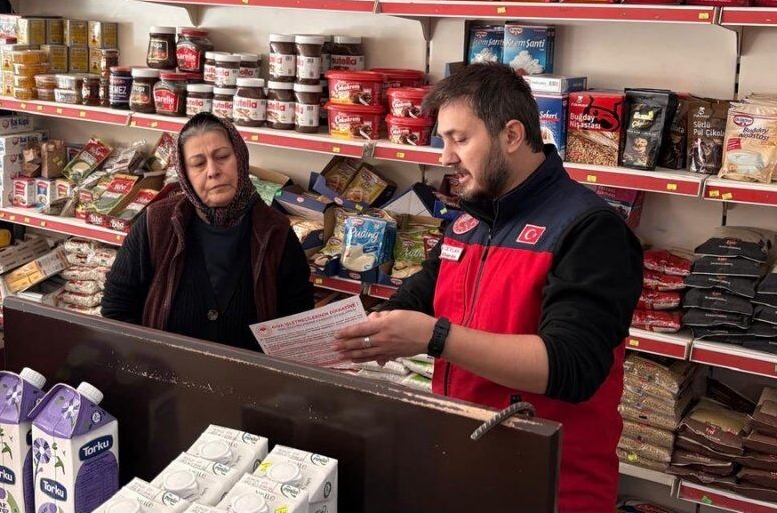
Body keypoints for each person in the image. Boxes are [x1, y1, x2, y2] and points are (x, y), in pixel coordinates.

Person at [333, 63, 642, 512]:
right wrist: (365, 330)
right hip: (469, 462)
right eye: (443, 140)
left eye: (460, 139)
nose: (444, 157)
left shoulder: (590, 230)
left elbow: (571, 367)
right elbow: (423, 292)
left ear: (512, 135)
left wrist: (433, 337)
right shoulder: (472, 218)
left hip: (553, 484)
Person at [102, 113, 314, 350]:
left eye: (222, 157)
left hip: (251, 383)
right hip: (164, 378)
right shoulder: (156, 224)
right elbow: (116, 309)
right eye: (198, 163)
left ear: (240, 158)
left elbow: (298, 320)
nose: (213, 171)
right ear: (185, 174)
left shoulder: (275, 232)